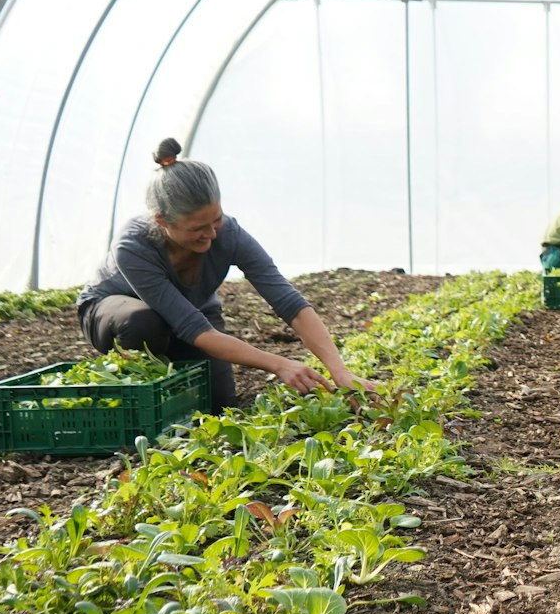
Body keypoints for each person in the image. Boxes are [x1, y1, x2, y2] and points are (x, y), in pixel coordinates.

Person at [76, 138, 369, 412]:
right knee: (143, 323)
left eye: (216, 220)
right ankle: (135, 400)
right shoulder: (133, 247)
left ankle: (176, 375)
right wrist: (279, 364)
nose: (211, 234)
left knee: (218, 403)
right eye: (198, 228)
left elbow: (288, 302)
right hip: (115, 313)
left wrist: (339, 371)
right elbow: (192, 328)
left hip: (189, 314)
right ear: (162, 221)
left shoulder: (228, 234)